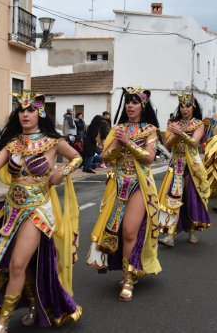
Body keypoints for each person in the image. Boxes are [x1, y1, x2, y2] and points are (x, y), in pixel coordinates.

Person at [0, 90, 82, 331]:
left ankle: (3, 323)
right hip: (11, 210)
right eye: (21, 110)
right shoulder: (14, 143)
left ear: (40, 113)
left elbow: (77, 157)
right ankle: (35, 304)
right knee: (20, 264)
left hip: (36, 210)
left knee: (17, 264)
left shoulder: (52, 141)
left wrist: (60, 174)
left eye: (30, 110)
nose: (25, 114)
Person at [87, 86, 161, 302]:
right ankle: (125, 271)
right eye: (128, 101)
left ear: (143, 105)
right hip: (117, 184)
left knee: (130, 231)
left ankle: (129, 279)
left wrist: (128, 142)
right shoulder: (117, 128)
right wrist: (118, 144)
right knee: (114, 230)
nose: (130, 105)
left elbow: (149, 158)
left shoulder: (150, 130)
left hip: (139, 184)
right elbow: (106, 158)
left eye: (135, 101)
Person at [158, 92, 210, 247]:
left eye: (187, 106)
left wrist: (180, 133)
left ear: (193, 107)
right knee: (174, 198)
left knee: (190, 198)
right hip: (177, 165)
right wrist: (175, 133)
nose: (184, 109)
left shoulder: (198, 124)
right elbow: (167, 145)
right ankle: (170, 235)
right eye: (182, 106)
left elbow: (194, 143)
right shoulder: (173, 123)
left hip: (192, 167)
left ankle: (191, 231)